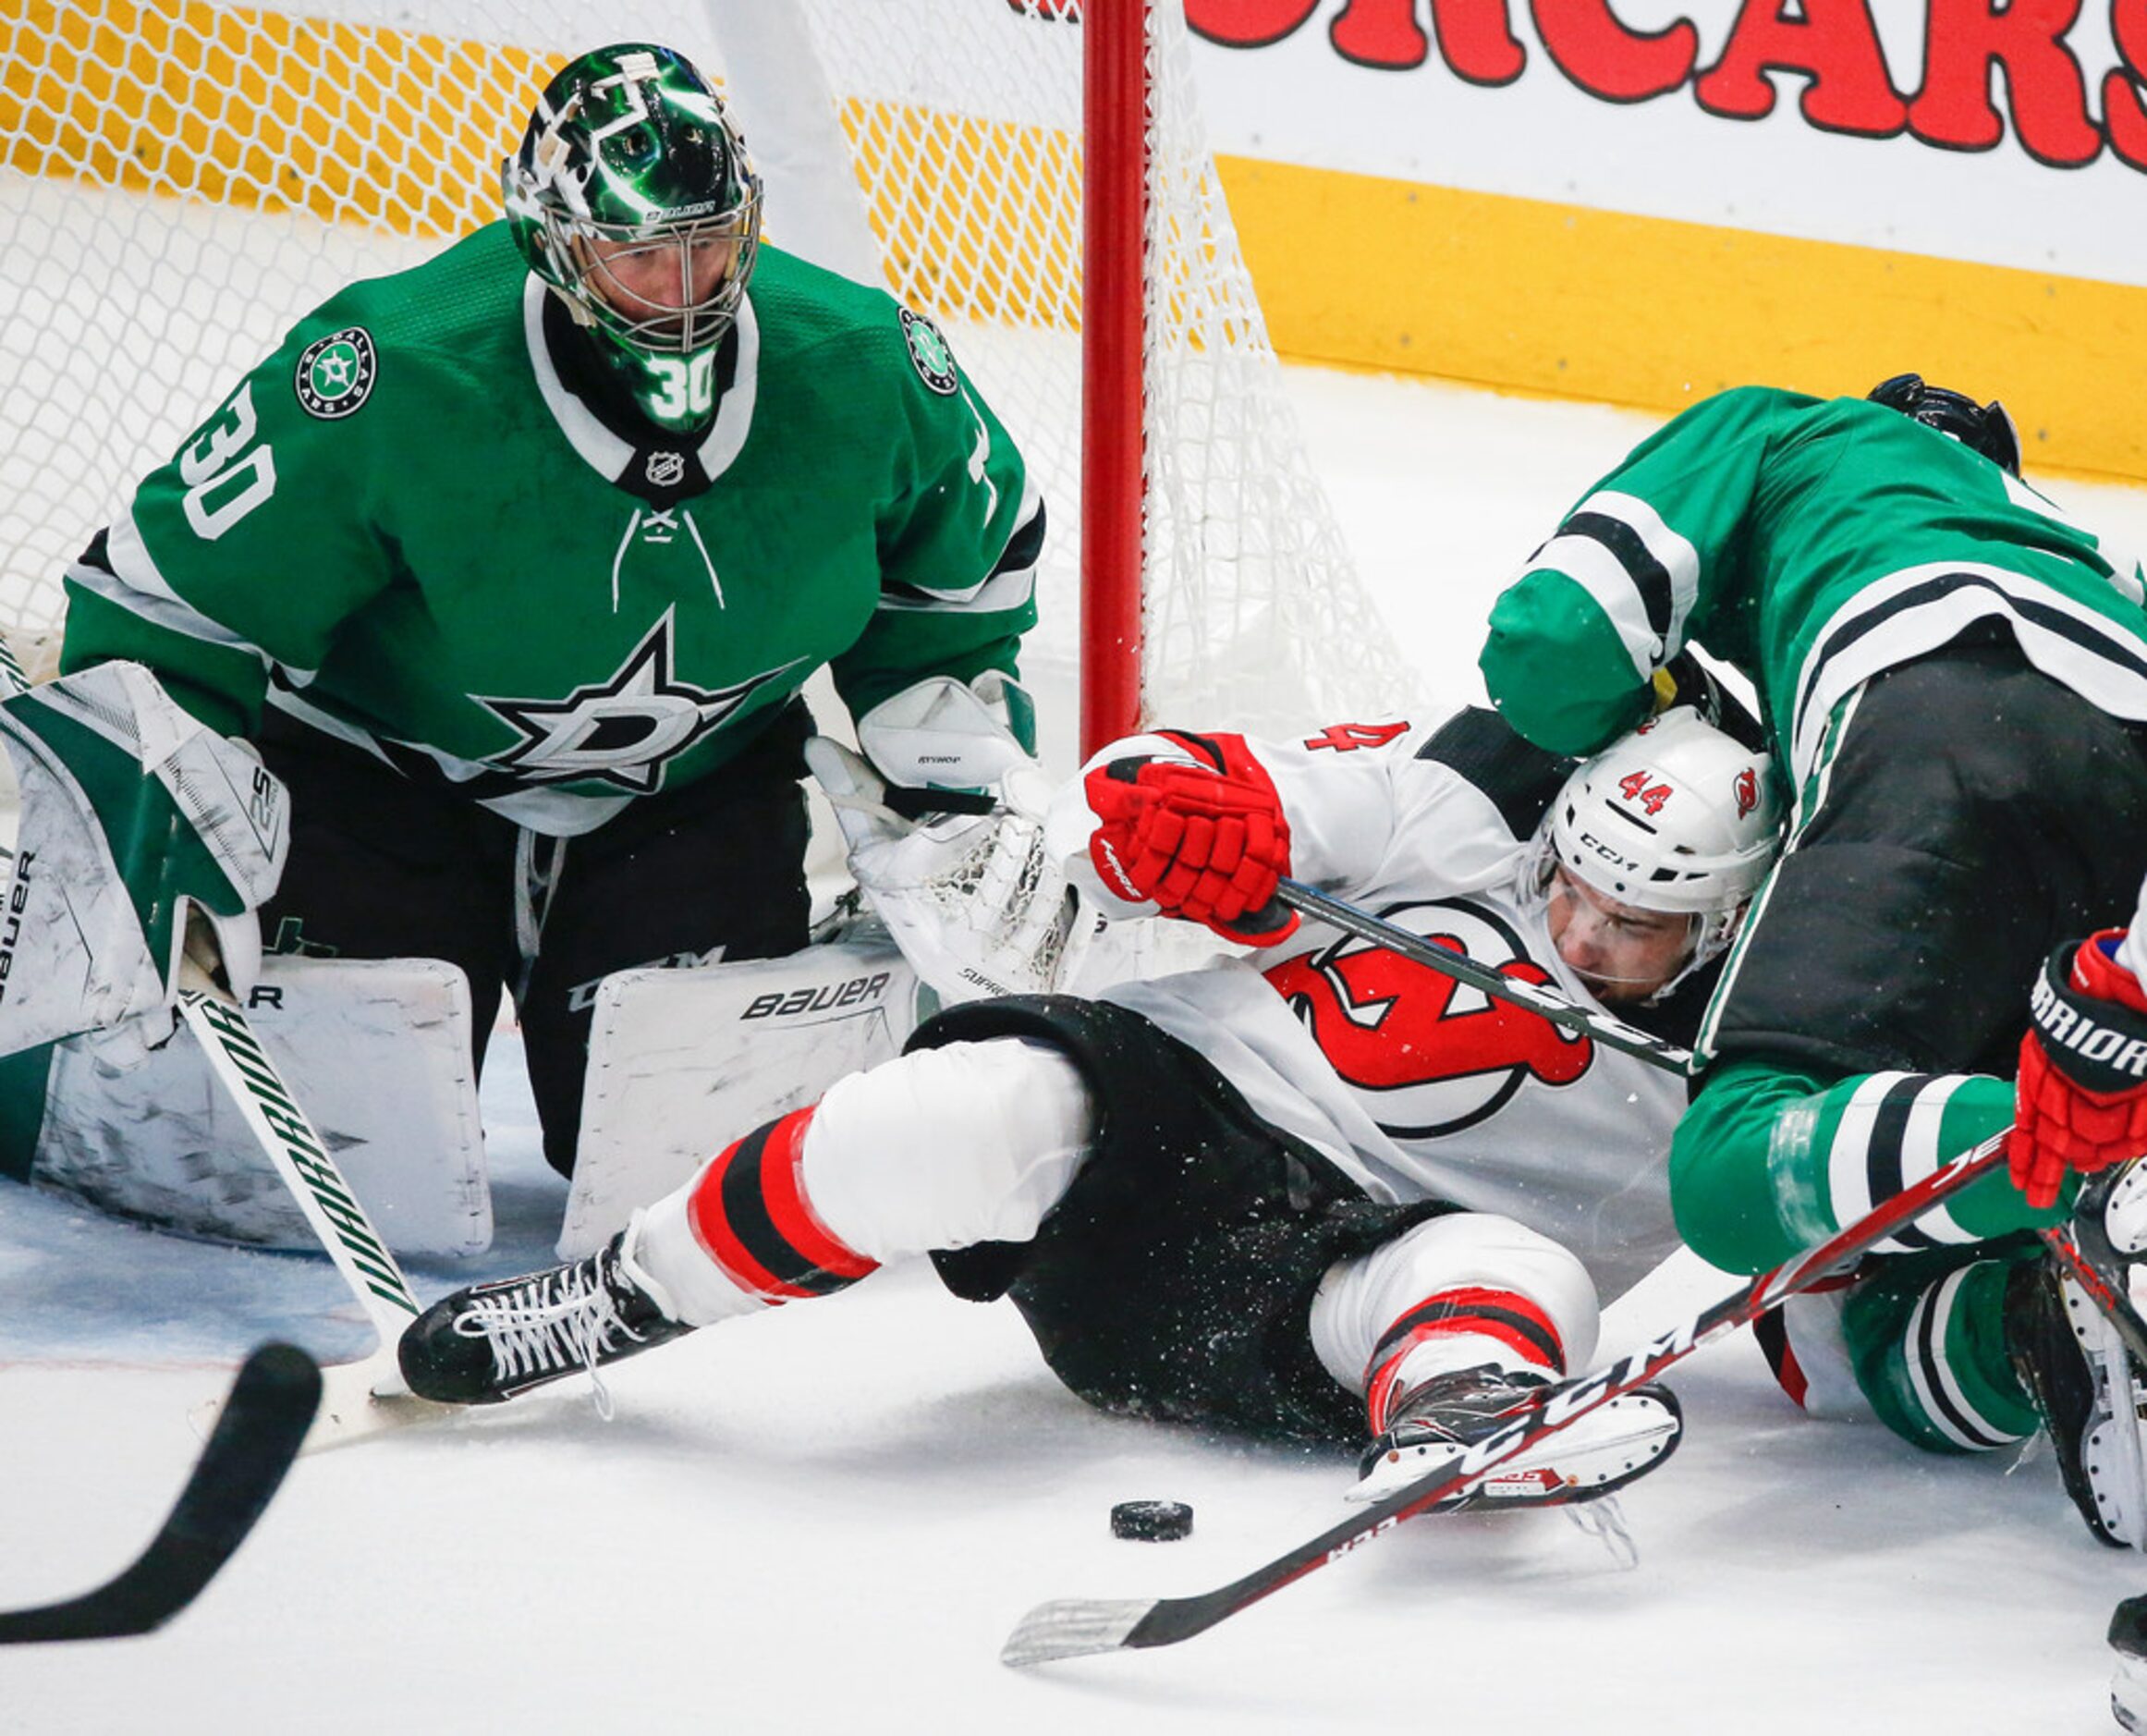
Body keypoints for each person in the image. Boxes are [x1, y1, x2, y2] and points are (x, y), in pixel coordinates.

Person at [34, 43, 1046, 1177]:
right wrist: (160, 821)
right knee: (331, 1155)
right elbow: (169, 606)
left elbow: (961, 585)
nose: (683, 291)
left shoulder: (868, 364)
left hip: (687, 791)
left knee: (690, 1168)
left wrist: (956, 782)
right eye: (637, 254)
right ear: (553, 242)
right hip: (378, 782)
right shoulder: (392, 370)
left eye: (709, 246)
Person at [396, 703, 1780, 1505]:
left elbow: (1826, 1245)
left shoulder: (1724, 1083)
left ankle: (1460, 1407)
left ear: (1719, 931)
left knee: (1508, 1266)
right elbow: (1208, 785)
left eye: (1635, 925)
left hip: (1315, 1300)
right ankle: (616, 1295)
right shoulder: (1440, 820)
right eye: (1572, 888)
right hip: (1163, 1128)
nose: (1582, 936)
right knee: (948, 1114)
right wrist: (1176, 803)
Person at [1475, 373, 2147, 1546]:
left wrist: (1682, 716)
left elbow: (1552, 646)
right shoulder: (2101, 563)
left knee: (1739, 1176)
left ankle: (2099, 1170)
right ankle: (2038, 1321)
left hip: (1944, 712)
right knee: (1843, 1326)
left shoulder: (1799, 430)